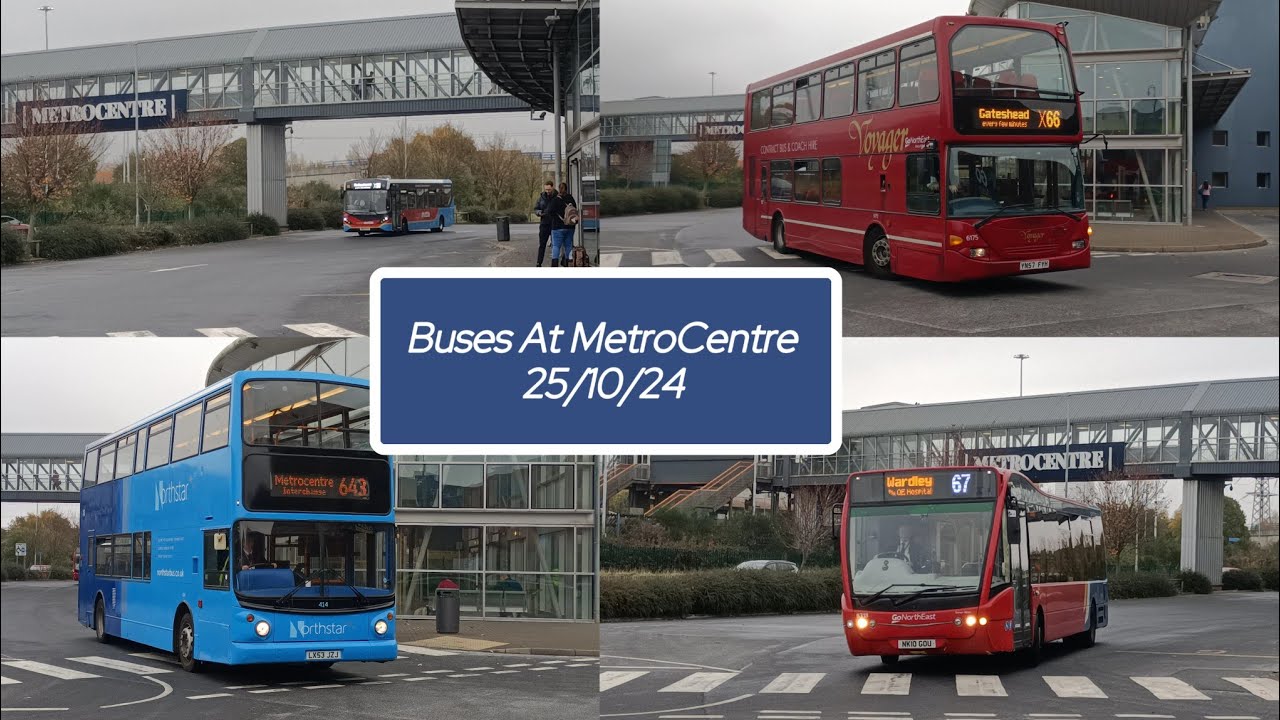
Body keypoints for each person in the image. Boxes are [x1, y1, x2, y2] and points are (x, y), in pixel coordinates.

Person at [549, 182, 578, 267]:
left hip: (557, 227)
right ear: (567, 188)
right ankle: (566, 263)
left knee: (556, 246)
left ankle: (554, 265)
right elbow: (575, 210)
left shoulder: (555, 199)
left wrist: (556, 218)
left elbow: (550, 211)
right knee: (568, 245)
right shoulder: (570, 198)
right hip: (570, 227)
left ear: (559, 188)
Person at [532, 180, 557, 267]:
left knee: (555, 245)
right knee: (542, 244)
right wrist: (539, 212)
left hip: (554, 223)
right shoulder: (541, 197)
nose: (547, 191)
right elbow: (536, 208)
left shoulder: (557, 197)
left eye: (549, 190)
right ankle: (539, 262)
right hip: (544, 224)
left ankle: (554, 263)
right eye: (546, 189)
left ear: (552, 187)